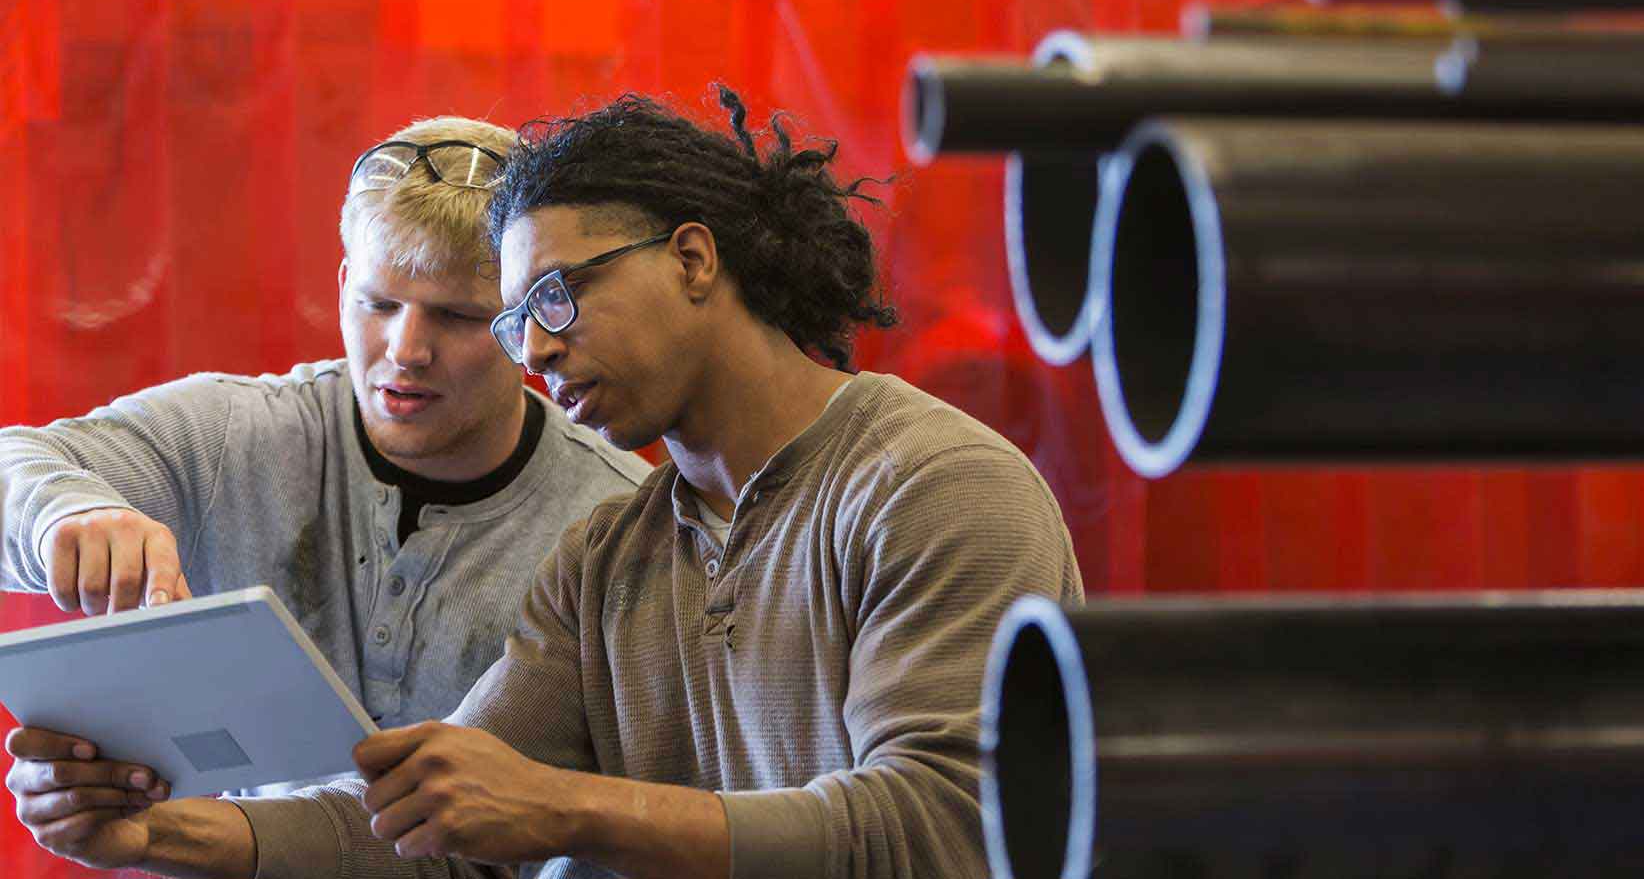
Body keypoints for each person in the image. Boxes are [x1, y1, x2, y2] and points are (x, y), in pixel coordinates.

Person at [5, 88, 1083, 879]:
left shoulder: (934, 485)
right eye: (514, 321)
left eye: (550, 302)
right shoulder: (610, 555)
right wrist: (156, 831)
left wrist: (568, 806)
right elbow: (434, 825)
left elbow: (943, 827)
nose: (535, 353)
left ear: (694, 261)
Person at [0, 116, 651, 795]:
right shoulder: (230, 436)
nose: (405, 349)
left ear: (524, 321)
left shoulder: (616, 521)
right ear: (342, 287)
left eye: (455, 317)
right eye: (378, 303)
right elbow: (15, 467)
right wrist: (61, 516)